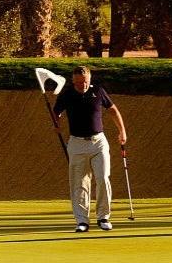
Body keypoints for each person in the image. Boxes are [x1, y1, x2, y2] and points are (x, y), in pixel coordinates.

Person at [52, 66, 128, 232]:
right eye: (79, 82)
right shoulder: (67, 94)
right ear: (73, 81)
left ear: (90, 79)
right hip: (76, 143)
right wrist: (56, 120)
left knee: (103, 178)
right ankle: (82, 221)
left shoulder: (98, 91)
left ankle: (103, 217)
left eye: (85, 82)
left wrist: (122, 131)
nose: (82, 85)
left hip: (98, 142)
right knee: (79, 182)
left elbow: (113, 111)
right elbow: (56, 112)